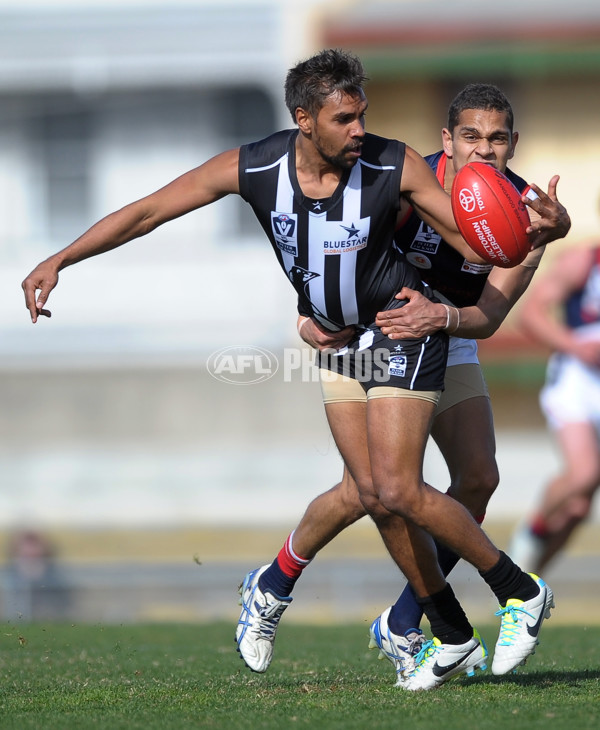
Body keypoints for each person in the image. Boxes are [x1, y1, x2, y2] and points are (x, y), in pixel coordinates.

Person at [22, 51, 558, 692]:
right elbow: (148, 212)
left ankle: (518, 592)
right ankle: (440, 630)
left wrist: (543, 232)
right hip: (336, 343)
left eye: (363, 115)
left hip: (402, 327)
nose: (361, 130)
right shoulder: (255, 167)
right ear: (304, 120)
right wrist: (61, 259)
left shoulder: (393, 163)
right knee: (374, 495)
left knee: (400, 487)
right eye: (345, 119)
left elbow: (478, 246)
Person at [235, 83, 570, 688]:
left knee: (475, 478)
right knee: (371, 490)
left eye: (497, 139)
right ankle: (281, 584)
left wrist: (441, 315)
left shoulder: (529, 215)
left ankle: (405, 617)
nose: (484, 150)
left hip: (447, 329)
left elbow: (490, 315)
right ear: (448, 140)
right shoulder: (409, 179)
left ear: (513, 144)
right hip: (370, 330)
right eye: (471, 136)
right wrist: (312, 314)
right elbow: (335, 247)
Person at [508, 242, 600, 573]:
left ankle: (527, 590)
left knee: (578, 509)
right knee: (584, 473)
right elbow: (531, 314)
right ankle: (532, 530)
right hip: (579, 380)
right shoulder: (583, 261)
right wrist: (574, 345)